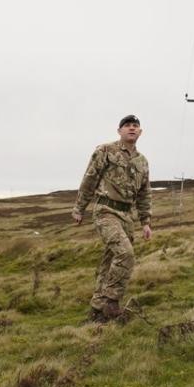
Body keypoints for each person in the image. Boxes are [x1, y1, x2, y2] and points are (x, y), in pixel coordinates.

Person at [72, 115, 152, 321]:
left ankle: (97, 311)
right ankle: (112, 302)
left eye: (135, 126)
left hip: (127, 216)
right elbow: (89, 179)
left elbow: (144, 194)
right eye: (127, 126)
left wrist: (145, 222)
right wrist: (79, 207)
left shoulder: (143, 162)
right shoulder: (105, 151)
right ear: (119, 131)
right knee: (126, 254)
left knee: (109, 263)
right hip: (105, 211)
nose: (131, 129)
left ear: (140, 132)